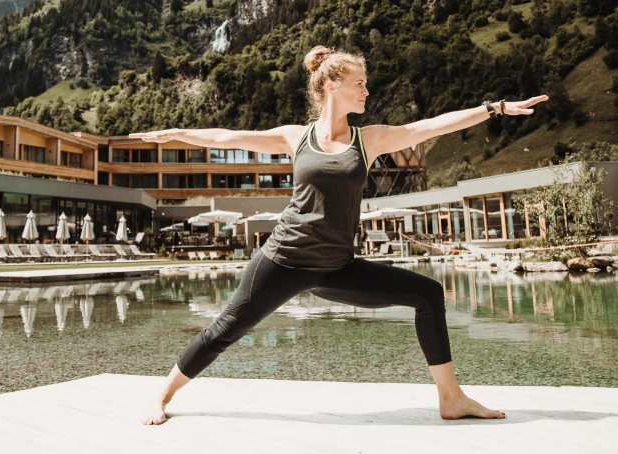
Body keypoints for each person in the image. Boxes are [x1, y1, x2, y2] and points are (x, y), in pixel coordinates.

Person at [131, 46, 548, 425]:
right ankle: (161, 397)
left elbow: (431, 126)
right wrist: (176, 134)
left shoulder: (370, 140)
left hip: (335, 268)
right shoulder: (297, 137)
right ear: (332, 86)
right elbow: (226, 136)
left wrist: (495, 108)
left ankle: (452, 398)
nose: (367, 91)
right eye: (359, 84)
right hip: (282, 261)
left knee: (428, 294)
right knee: (224, 330)